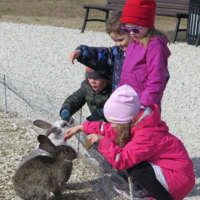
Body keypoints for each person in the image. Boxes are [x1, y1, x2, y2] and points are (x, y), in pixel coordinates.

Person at [63, 85, 195, 200]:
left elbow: (122, 160)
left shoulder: (146, 134)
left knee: (134, 166)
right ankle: (143, 188)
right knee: (132, 160)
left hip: (177, 178)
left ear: (127, 120)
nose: (112, 125)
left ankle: (157, 196)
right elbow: (111, 130)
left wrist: (103, 142)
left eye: (115, 122)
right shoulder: (136, 123)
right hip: (167, 170)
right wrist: (82, 127)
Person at [70, 11, 132, 91]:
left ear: (133, 33)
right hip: (119, 98)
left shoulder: (144, 54)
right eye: (114, 40)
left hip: (138, 100)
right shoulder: (117, 52)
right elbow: (102, 54)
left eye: (120, 40)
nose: (117, 44)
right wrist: (82, 52)